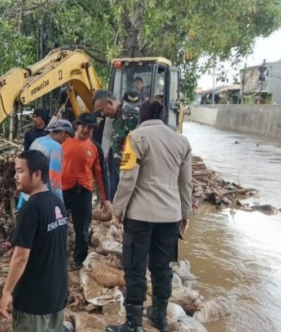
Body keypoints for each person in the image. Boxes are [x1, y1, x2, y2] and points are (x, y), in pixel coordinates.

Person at [104, 100, 192, 332]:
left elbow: (128, 178)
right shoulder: (182, 141)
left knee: (135, 267)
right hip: (170, 216)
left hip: (140, 216)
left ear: (141, 117)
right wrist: (185, 213)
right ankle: (160, 316)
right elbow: (185, 183)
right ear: (163, 116)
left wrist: (117, 210)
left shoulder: (135, 138)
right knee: (162, 268)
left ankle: (134, 324)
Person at [0, 150, 68, 331]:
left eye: (20, 171)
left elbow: (20, 256)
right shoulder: (56, 202)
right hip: (56, 294)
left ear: (37, 174)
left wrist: (7, 291)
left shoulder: (31, 209)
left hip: (34, 301)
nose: (15, 176)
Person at [61, 113, 111, 269]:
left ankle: (78, 260)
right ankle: (57, 256)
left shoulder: (95, 147)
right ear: (77, 125)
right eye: (83, 126)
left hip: (83, 192)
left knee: (82, 229)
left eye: (90, 128)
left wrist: (105, 198)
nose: (86, 130)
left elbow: (101, 174)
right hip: (62, 191)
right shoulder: (63, 143)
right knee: (57, 226)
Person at [93, 90, 139, 199]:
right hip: (119, 164)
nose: (103, 114)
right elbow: (107, 136)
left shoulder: (131, 114)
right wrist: (104, 158)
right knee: (114, 188)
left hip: (131, 166)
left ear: (110, 103)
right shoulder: (113, 117)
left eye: (102, 110)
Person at [18, 119, 72, 210]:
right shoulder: (56, 148)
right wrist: (60, 204)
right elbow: (54, 179)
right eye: (67, 136)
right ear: (62, 133)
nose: (66, 140)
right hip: (42, 198)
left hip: (28, 194)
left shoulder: (37, 141)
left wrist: (22, 197)